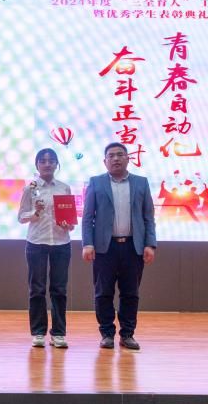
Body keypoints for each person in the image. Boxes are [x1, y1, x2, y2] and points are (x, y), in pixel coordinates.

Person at [82, 142, 157, 350]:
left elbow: (148, 217)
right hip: (104, 248)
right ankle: (107, 334)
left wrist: (150, 244)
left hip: (133, 247)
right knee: (103, 293)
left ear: (128, 158)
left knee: (130, 293)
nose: (116, 159)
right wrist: (87, 243)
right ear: (104, 161)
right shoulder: (96, 182)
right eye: (111, 155)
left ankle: (127, 334)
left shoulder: (141, 183)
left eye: (120, 155)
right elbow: (87, 218)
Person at [17, 148, 73, 349]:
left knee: (59, 289)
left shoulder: (64, 188)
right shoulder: (30, 189)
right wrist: (35, 213)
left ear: (57, 164)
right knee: (37, 289)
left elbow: (71, 221)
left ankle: (58, 333)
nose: (47, 164)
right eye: (43, 161)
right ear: (37, 165)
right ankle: (38, 332)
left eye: (51, 160)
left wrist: (68, 224)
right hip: (36, 242)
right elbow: (21, 217)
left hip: (61, 242)